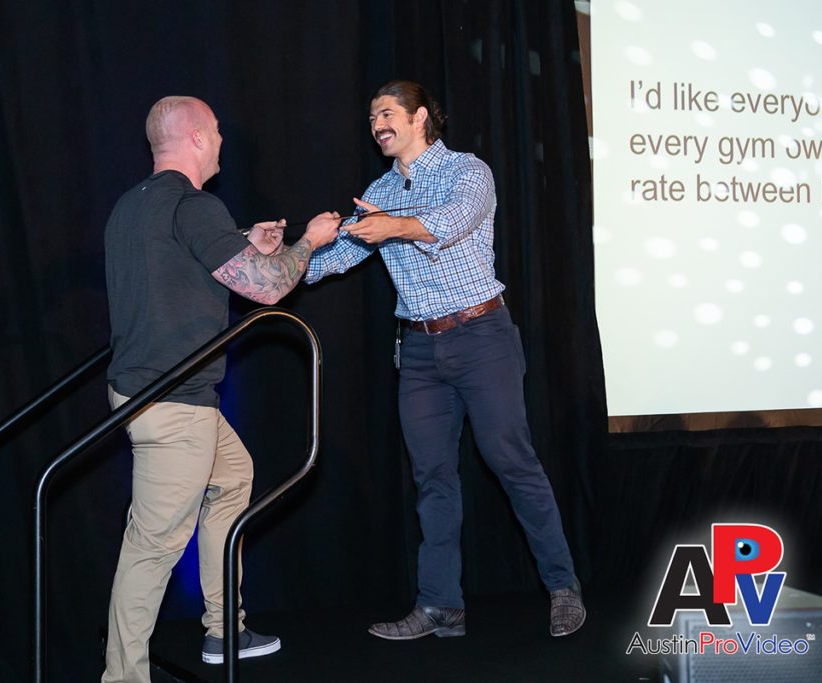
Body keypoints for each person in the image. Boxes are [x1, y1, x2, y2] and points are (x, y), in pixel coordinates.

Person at [304, 80, 585, 641]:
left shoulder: (467, 172)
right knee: (432, 477)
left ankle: (563, 588)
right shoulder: (379, 189)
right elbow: (329, 263)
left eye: (387, 113)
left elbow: (451, 224)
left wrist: (393, 225)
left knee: (512, 461)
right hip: (421, 350)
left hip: (481, 336)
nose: (377, 124)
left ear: (420, 117)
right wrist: (287, 251)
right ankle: (440, 607)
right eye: (372, 117)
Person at [102, 95, 339, 683]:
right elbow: (268, 290)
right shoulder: (194, 204)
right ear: (198, 138)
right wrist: (308, 242)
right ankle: (122, 678)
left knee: (233, 477)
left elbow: (182, 262)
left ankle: (223, 629)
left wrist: (243, 241)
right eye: (216, 133)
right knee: (152, 548)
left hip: (154, 395)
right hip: (173, 405)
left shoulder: (134, 206)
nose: (223, 144)